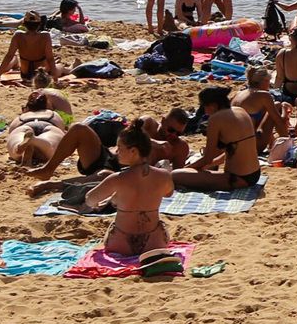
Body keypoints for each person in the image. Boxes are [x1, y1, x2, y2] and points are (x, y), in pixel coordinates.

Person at [84, 125, 174, 256]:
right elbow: (168, 193)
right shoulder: (164, 176)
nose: (116, 152)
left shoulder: (117, 179)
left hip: (121, 244)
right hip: (154, 243)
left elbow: (90, 200)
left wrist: (115, 198)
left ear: (133, 151)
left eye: (119, 148)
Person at [173, 86, 263, 191]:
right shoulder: (240, 111)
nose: (205, 112)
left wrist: (188, 168)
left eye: (204, 107)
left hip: (236, 178)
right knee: (199, 170)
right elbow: (236, 149)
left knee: (175, 175)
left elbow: (208, 158)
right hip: (255, 174)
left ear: (213, 105)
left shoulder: (215, 119)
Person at [0, 14, 59, 82]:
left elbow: (9, 56)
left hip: (25, 74)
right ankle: (69, 69)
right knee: (60, 67)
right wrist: (55, 79)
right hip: (42, 74)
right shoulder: (45, 36)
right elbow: (50, 58)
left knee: (14, 57)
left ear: (24, 24)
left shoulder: (18, 35)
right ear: (39, 25)